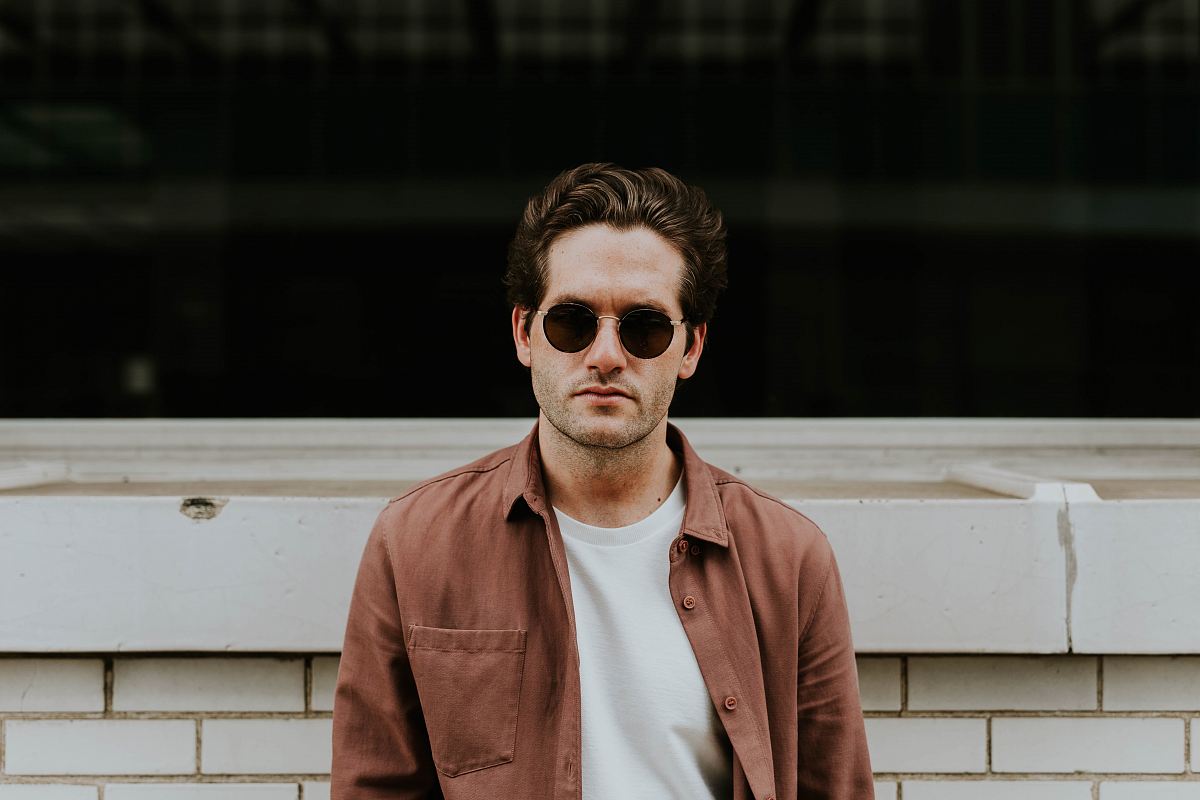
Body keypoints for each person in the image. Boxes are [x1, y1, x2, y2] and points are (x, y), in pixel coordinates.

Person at [332, 163, 873, 799]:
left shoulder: (787, 558)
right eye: (573, 322)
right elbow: (375, 788)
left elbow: (835, 790)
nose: (606, 355)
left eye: (644, 327)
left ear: (691, 347)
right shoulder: (417, 544)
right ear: (524, 334)